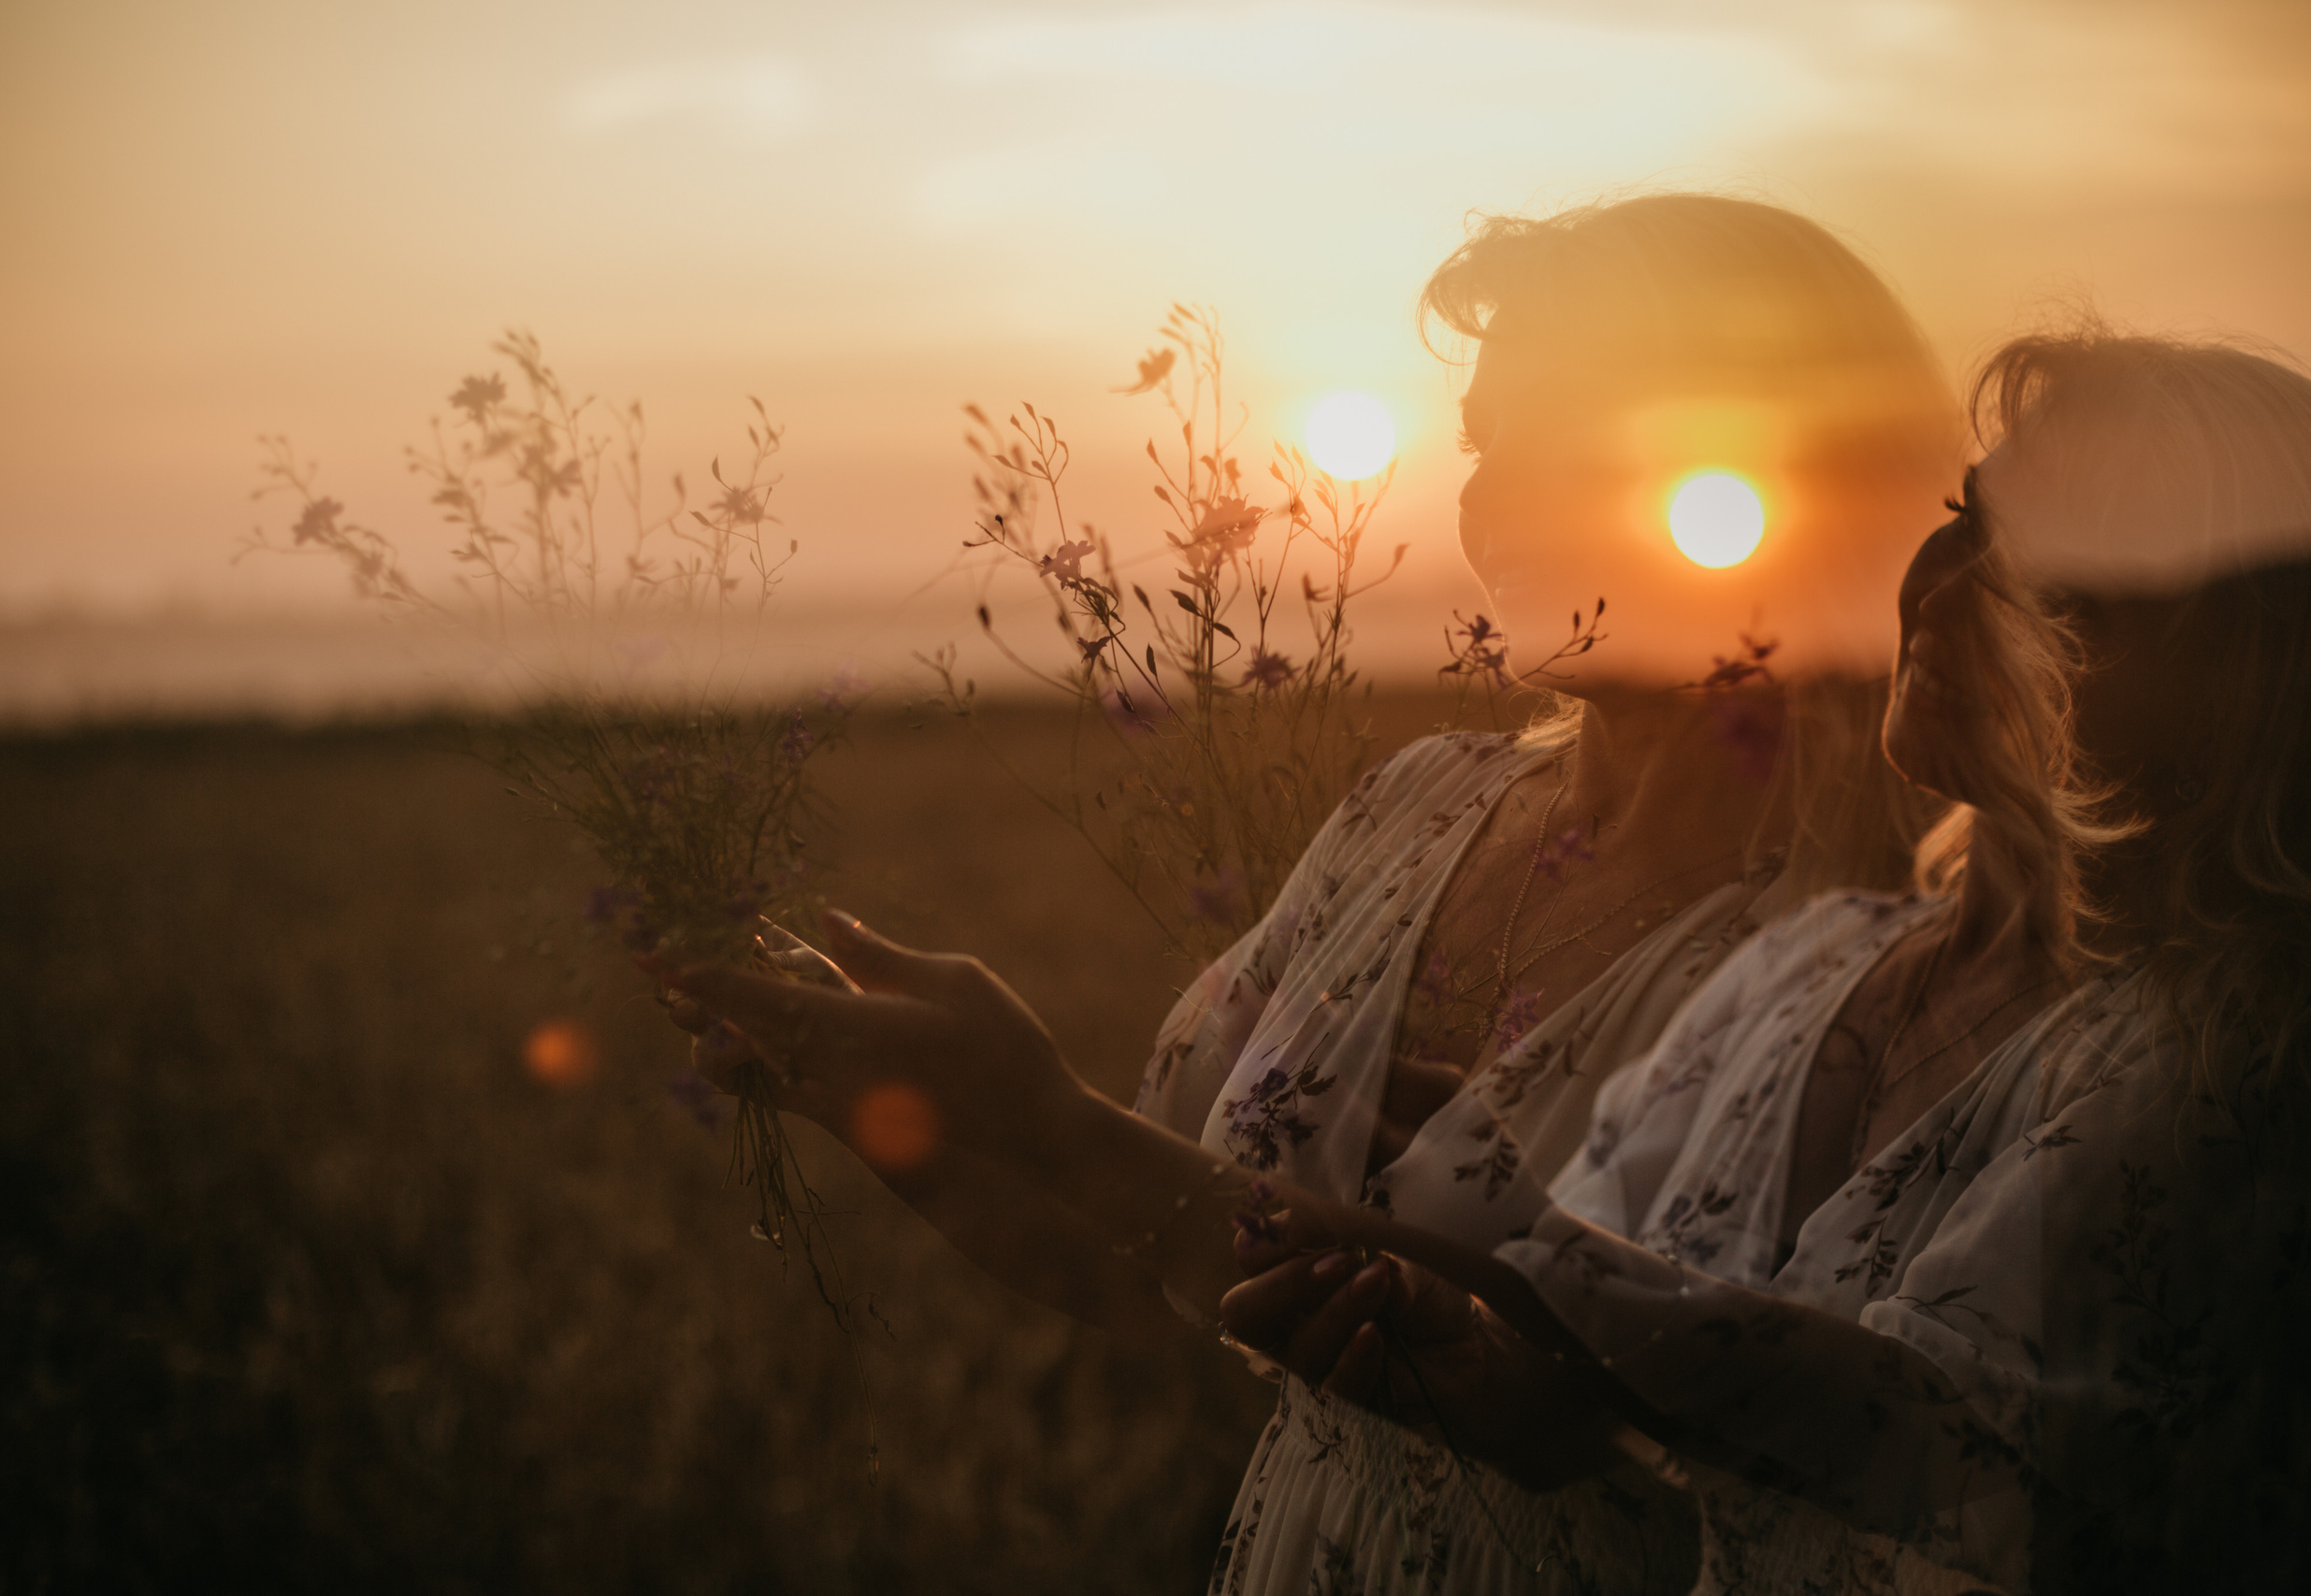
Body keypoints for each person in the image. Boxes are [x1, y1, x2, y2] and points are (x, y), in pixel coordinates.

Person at [660, 193, 1962, 1593]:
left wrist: (1033, 1108)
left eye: (1580, 441)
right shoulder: (1415, 810)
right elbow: (1138, 1263)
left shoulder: (1892, 941)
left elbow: (1631, 1420)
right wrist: (901, 1110)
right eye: (1488, 445)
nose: (1496, 500)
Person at [1217, 329, 2311, 1592]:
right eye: (1962, 519)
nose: (1938, 589)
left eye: (2045, 574)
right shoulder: (1820, 964)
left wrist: (1517, 1243)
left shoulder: (2231, 1054)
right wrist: (1492, 1365)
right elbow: (1645, 1380)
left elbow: (1938, 1435)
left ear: (2244, 676)